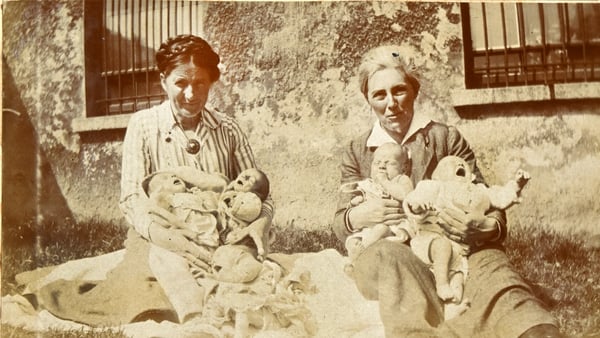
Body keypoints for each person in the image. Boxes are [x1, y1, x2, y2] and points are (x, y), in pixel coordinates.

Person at [333, 45, 562, 337]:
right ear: (368, 98)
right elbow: (340, 222)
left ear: (414, 91)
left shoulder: (446, 138)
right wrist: (358, 216)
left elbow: (485, 197)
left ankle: (530, 329)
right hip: (393, 252)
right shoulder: (357, 151)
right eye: (379, 94)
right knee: (392, 262)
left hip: (456, 247)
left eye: (399, 90)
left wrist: (488, 227)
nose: (391, 103)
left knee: (495, 271)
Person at [118, 34, 275, 324]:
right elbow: (131, 199)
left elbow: (260, 193)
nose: (191, 94)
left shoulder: (227, 129)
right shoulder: (143, 125)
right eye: (181, 83)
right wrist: (173, 240)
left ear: (211, 82)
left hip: (218, 237)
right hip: (162, 237)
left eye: (200, 83)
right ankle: (195, 318)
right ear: (164, 80)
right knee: (160, 281)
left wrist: (259, 225)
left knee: (253, 280)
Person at [403, 155, 531, 320]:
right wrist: (419, 204)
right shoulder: (435, 186)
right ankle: (442, 284)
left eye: (461, 163)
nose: (456, 163)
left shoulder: (480, 190)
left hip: (458, 250)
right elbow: (415, 199)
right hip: (432, 241)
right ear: (437, 176)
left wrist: (516, 185)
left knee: (458, 276)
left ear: (471, 176)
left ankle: (451, 308)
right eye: (447, 164)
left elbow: (501, 197)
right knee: (443, 249)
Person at [342, 142, 415, 262]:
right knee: (352, 241)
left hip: (393, 227)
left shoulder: (401, 180)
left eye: (389, 163)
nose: (381, 167)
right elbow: (358, 198)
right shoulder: (370, 184)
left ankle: (361, 255)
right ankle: (355, 261)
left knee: (381, 229)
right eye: (377, 163)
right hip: (369, 229)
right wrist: (356, 203)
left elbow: (405, 195)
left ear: (404, 168)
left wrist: (385, 182)